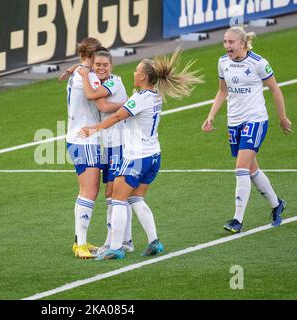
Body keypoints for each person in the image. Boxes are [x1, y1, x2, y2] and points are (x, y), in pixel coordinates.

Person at [79, 48, 203, 259]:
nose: (134, 74)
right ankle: (154, 242)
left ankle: (116, 247)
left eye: (137, 71)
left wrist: (93, 129)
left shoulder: (140, 98)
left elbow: (117, 116)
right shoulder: (154, 96)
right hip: (154, 156)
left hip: (136, 157)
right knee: (136, 199)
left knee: (118, 200)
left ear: (144, 76)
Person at [201, 27, 292, 233]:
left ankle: (237, 219)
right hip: (234, 122)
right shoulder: (222, 62)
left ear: (242, 43)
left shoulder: (259, 63)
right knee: (251, 170)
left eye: (231, 42)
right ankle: (277, 204)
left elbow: (275, 89)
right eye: (225, 42)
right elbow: (222, 91)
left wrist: (282, 117)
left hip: (255, 120)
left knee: (241, 167)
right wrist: (211, 115)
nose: (227, 46)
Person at [77, 50, 133, 255]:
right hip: (110, 145)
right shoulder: (98, 80)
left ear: (112, 66)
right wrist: (128, 104)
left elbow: (97, 100)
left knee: (114, 193)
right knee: (117, 194)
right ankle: (124, 240)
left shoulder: (114, 82)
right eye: (97, 64)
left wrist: (130, 105)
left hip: (121, 143)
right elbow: (103, 104)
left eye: (105, 65)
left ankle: (115, 241)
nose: (101, 68)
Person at [65, 37, 105, 259]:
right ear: (94, 55)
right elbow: (101, 103)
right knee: (89, 191)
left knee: (86, 191)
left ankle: (80, 241)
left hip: (78, 137)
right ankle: (80, 244)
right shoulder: (87, 77)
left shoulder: (77, 73)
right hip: (85, 139)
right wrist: (129, 105)